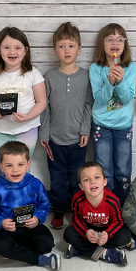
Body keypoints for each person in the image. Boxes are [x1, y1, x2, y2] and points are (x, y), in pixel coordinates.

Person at [38, 21, 92, 228]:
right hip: (54, 140)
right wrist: (44, 134)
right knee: (57, 177)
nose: (66, 50)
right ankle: (59, 208)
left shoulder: (86, 76)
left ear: (79, 49)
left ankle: (78, 209)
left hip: (78, 139)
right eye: (62, 46)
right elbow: (45, 107)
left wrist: (85, 129)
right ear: (55, 50)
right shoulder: (49, 77)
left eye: (71, 45)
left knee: (77, 177)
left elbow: (88, 105)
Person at [0, 26, 47, 180]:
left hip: (27, 130)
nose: (12, 52)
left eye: (17, 47)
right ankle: (1, 202)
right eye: (6, 47)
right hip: (2, 131)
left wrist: (28, 116)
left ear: (26, 50)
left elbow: (42, 102)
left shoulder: (33, 73)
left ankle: (23, 202)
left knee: (22, 170)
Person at [0, 141, 60, 271]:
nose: (15, 170)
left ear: (28, 165)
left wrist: (37, 218)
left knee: (47, 244)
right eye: (9, 165)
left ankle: (21, 249)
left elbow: (44, 205)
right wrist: (1, 222)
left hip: (33, 227)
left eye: (20, 164)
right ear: (1, 167)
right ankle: (39, 259)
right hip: (8, 230)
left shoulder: (35, 184)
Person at [89, 23, 136, 204]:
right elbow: (99, 100)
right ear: (102, 44)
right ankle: (106, 205)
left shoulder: (130, 67)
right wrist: (109, 81)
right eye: (109, 39)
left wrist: (121, 80)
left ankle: (124, 206)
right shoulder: (96, 68)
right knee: (104, 170)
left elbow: (126, 98)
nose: (114, 42)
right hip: (101, 124)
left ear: (125, 44)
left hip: (123, 126)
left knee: (123, 169)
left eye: (119, 39)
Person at [63, 161, 131, 265]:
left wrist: (107, 234)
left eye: (97, 177)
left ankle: (81, 250)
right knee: (68, 233)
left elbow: (118, 221)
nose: (92, 182)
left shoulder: (112, 200)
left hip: (106, 231)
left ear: (105, 181)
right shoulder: (78, 199)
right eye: (86, 179)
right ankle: (106, 253)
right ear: (81, 186)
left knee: (125, 236)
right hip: (88, 231)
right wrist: (86, 232)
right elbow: (75, 220)